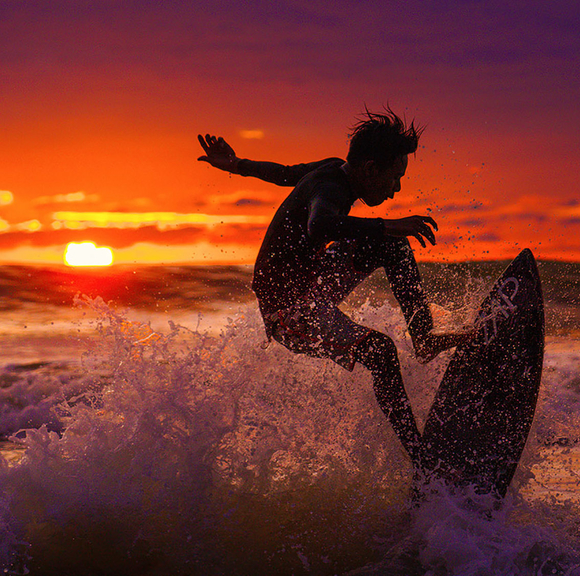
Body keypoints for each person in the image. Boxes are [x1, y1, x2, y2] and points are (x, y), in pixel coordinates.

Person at [197, 109, 470, 468]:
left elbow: (283, 174)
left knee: (394, 245)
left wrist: (235, 163)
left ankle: (424, 338)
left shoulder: (331, 168)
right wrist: (388, 224)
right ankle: (421, 462)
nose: (397, 188)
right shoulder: (329, 188)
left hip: (312, 282)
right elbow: (320, 227)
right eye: (395, 177)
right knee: (381, 351)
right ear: (371, 169)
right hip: (289, 312)